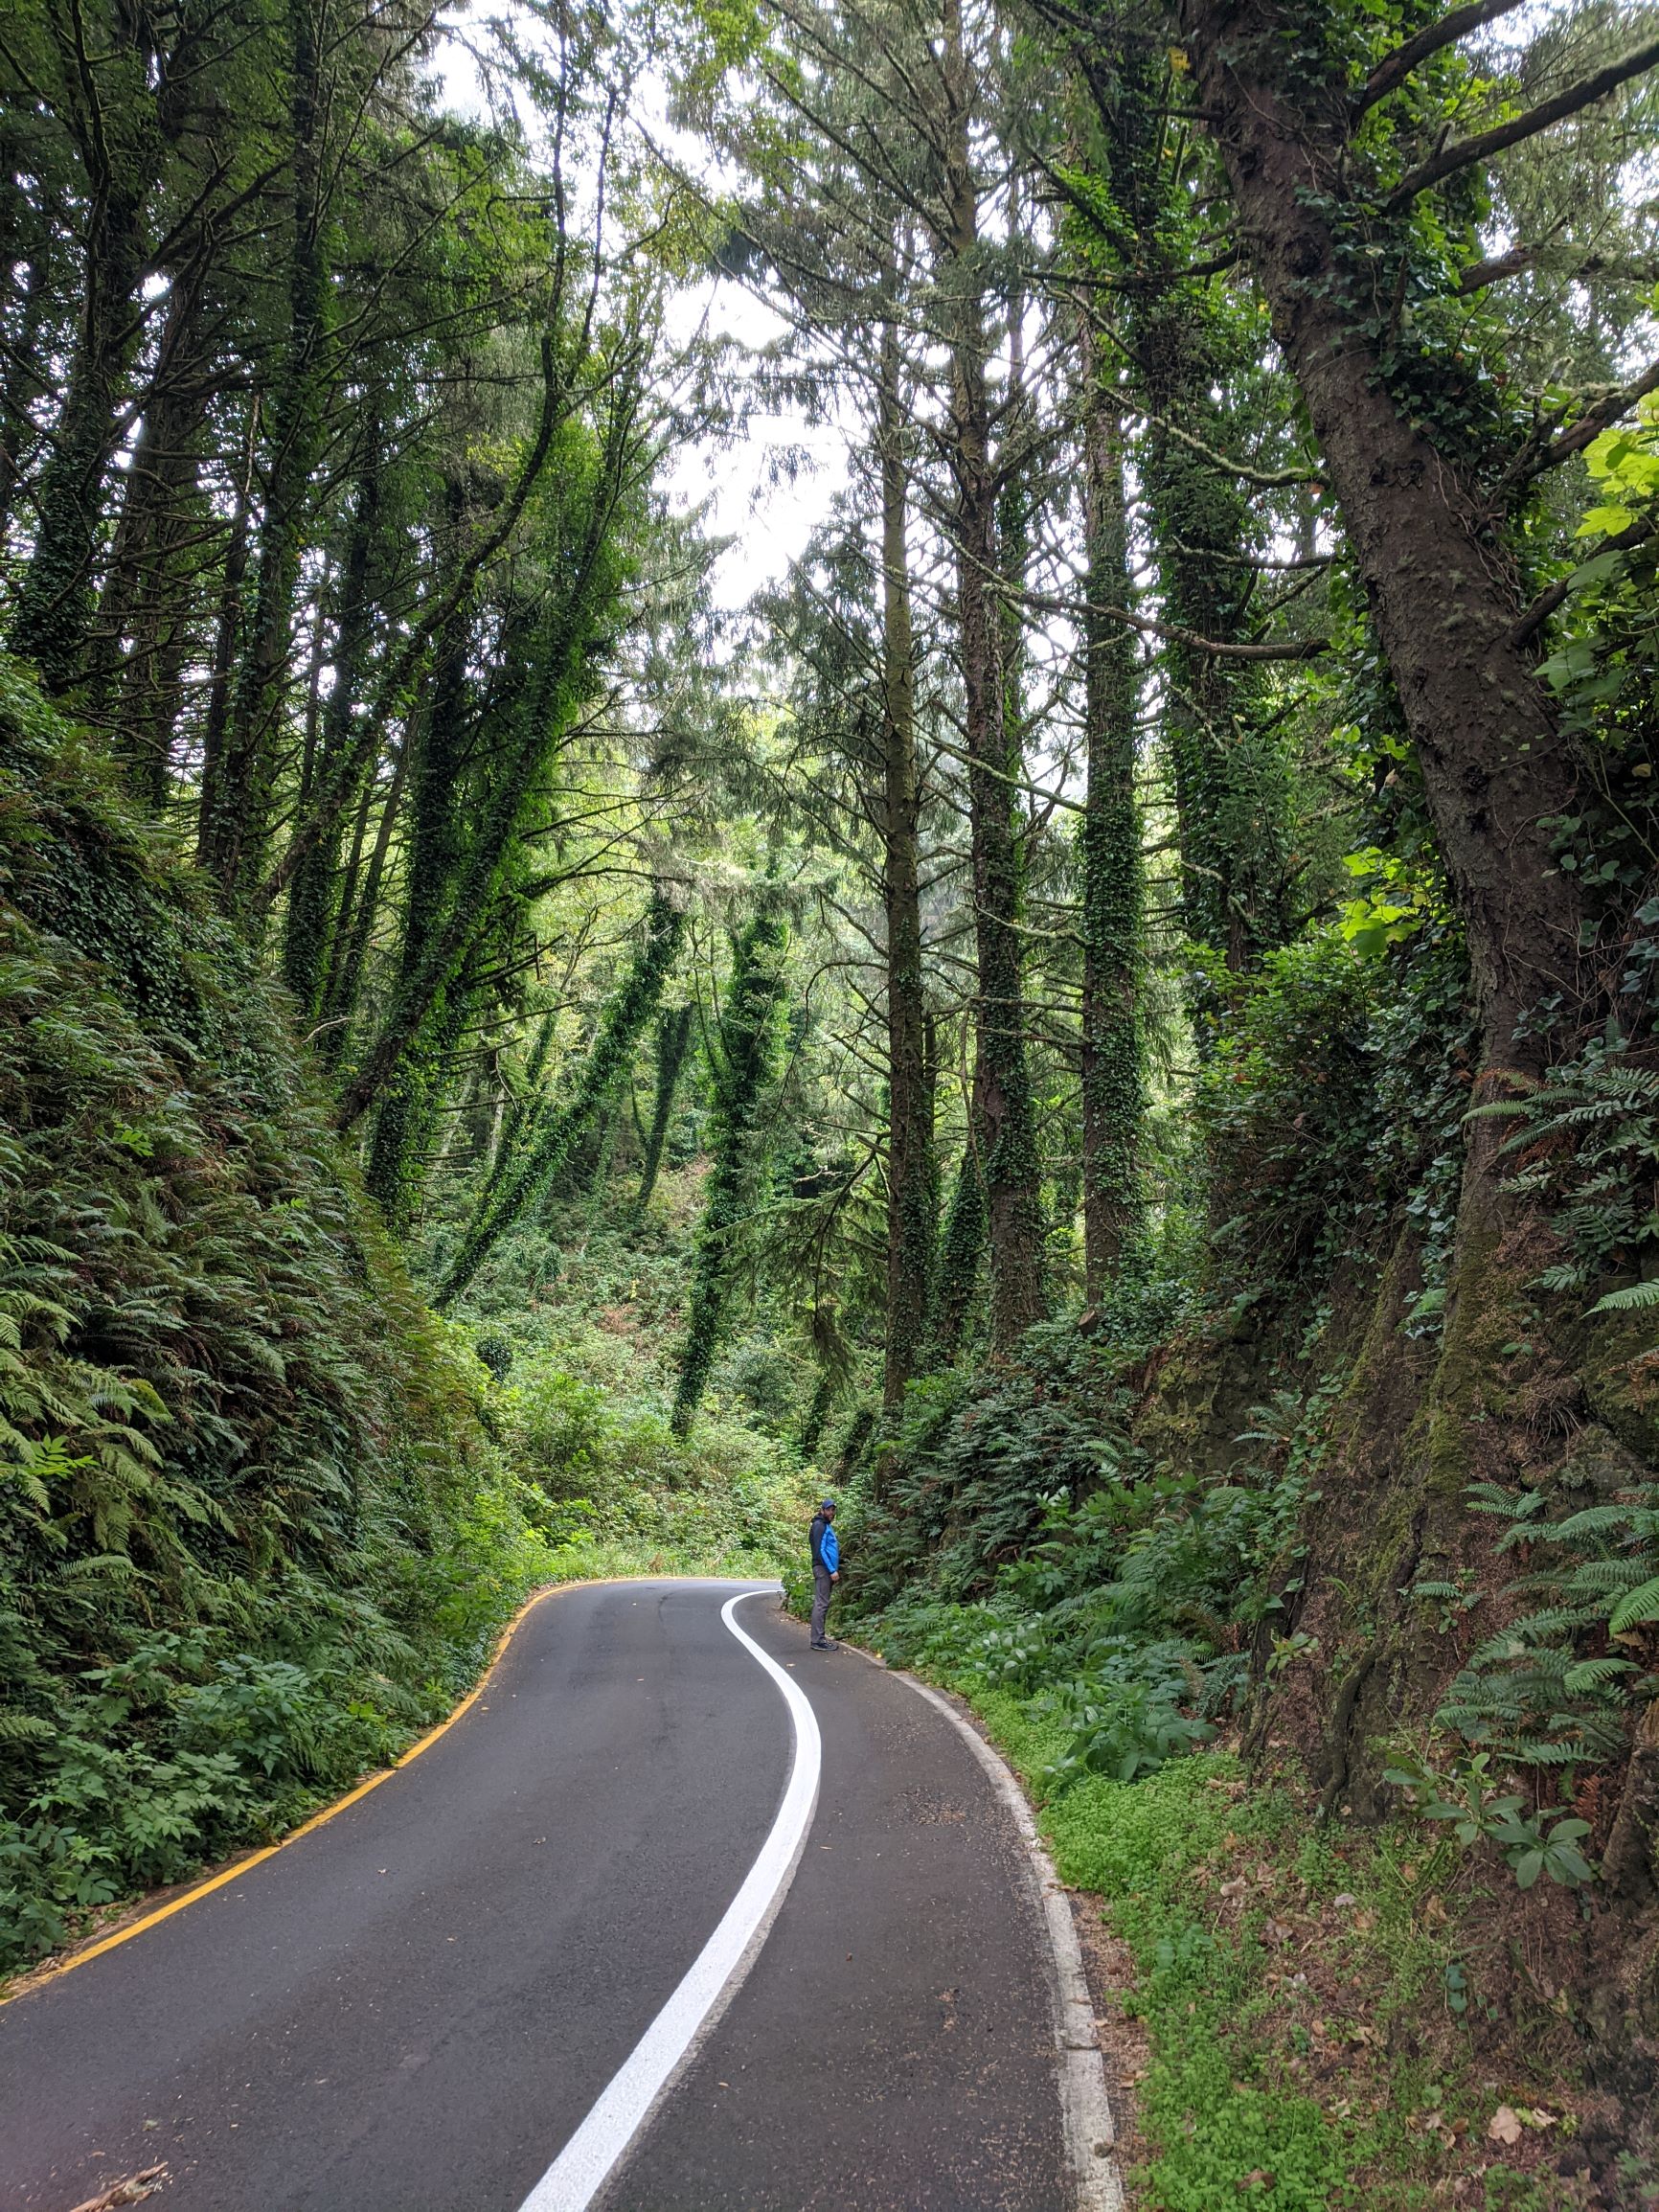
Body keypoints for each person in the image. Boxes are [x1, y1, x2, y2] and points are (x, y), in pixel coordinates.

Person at [808, 1498, 839, 1650]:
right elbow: (820, 1550)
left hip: (824, 1568)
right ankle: (818, 1640)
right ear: (822, 1510)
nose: (831, 1512)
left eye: (833, 1510)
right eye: (828, 1510)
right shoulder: (819, 1525)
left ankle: (819, 1638)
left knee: (822, 1603)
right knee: (821, 1604)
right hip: (823, 1569)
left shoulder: (824, 1524)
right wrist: (832, 1570)